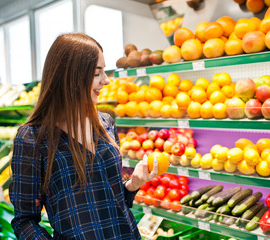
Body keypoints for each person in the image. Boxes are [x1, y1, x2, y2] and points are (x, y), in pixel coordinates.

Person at [9, 33, 158, 239]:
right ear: (70, 76)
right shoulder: (32, 138)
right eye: (97, 73)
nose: (105, 81)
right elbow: (24, 220)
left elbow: (110, 200)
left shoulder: (105, 122)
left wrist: (133, 184)